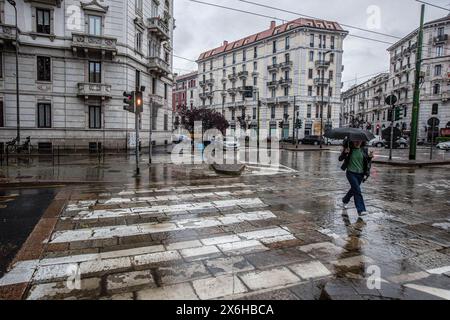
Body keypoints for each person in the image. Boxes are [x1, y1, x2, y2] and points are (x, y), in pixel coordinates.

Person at [339, 139, 374, 216]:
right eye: (355, 141)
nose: (357, 142)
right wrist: (345, 153)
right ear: (352, 141)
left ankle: (345, 200)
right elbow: (340, 159)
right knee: (357, 190)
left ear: (362, 141)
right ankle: (361, 210)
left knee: (354, 189)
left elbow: (366, 162)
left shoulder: (364, 149)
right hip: (351, 173)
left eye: (359, 141)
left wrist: (370, 157)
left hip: (360, 174)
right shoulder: (349, 149)